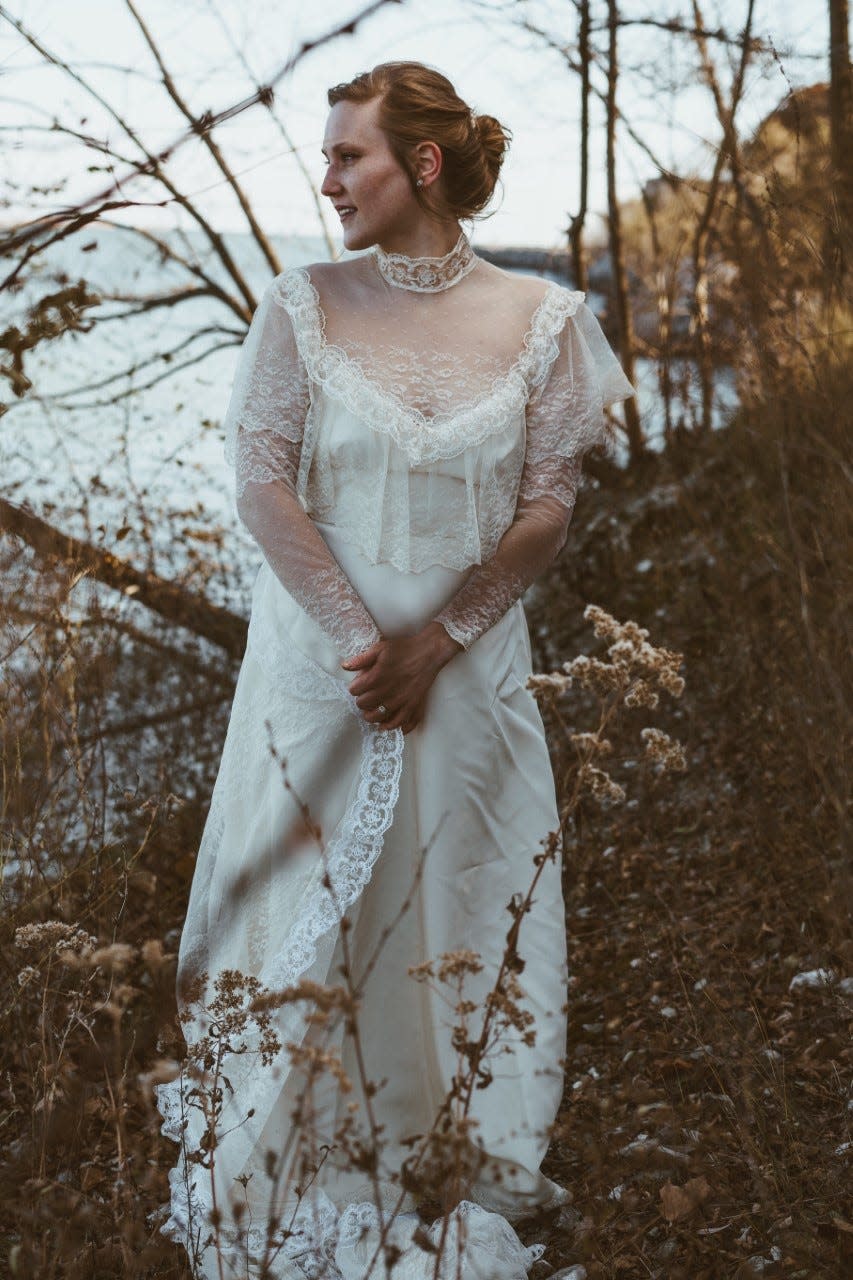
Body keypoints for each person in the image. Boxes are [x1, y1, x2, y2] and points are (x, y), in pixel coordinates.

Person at [156, 60, 635, 1280]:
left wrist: (442, 639)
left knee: (460, 894)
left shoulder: (545, 323)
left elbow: (544, 508)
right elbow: (260, 483)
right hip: (326, 678)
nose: (326, 181)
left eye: (347, 156)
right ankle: (297, 1149)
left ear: (420, 164)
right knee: (317, 910)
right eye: (325, 158)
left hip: (471, 677)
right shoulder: (299, 305)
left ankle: (445, 1142)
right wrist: (366, 642)